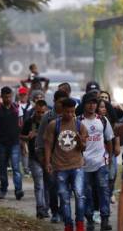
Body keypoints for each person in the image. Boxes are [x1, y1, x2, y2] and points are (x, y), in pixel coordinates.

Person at [44, 98, 88, 231]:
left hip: (77, 166)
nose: (69, 114)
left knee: (80, 195)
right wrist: (47, 162)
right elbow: (48, 145)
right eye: (67, 111)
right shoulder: (54, 125)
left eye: (72, 111)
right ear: (62, 110)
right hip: (60, 167)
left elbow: (83, 148)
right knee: (64, 198)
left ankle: (79, 223)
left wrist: (81, 141)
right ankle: (68, 224)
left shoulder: (80, 125)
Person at [80, 92, 114, 231]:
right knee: (86, 192)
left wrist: (110, 157)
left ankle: (105, 219)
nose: (92, 105)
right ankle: (89, 220)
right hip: (84, 163)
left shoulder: (103, 120)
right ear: (84, 104)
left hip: (101, 162)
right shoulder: (78, 121)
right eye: (89, 102)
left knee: (104, 190)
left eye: (94, 103)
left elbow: (109, 139)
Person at [36, 90, 69, 223]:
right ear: (55, 102)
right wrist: (42, 158)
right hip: (51, 158)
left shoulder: (71, 116)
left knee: (65, 188)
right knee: (53, 186)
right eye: (60, 102)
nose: (62, 105)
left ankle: (63, 211)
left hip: (67, 158)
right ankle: (55, 211)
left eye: (64, 102)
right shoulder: (48, 117)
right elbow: (40, 139)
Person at [0, 86, 24, 200]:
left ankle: (18, 190)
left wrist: (21, 141)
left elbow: (21, 125)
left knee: (16, 167)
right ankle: (3, 190)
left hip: (14, 142)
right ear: (2, 96)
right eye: (5, 97)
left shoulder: (18, 108)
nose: (8, 98)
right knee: (2, 168)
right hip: (1, 143)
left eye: (9, 96)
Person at [21, 100, 49, 219]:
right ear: (35, 110)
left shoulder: (50, 122)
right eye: (38, 112)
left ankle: (47, 208)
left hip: (48, 158)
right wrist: (27, 137)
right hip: (34, 157)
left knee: (48, 184)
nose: (40, 114)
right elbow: (21, 135)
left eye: (43, 112)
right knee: (39, 184)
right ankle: (40, 208)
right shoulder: (29, 122)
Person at [97, 99, 121, 205]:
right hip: (96, 155)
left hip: (108, 153)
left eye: (105, 107)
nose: (104, 109)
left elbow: (113, 135)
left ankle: (108, 197)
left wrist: (115, 147)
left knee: (111, 175)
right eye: (101, 107)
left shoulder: (106, 120)